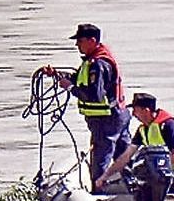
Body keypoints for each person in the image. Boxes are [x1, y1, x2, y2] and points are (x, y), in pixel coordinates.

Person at [41, 23, 131, 191]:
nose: (77, 45)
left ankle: (99, 195)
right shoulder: (93, 61)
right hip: (118, 115)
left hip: (106, 120)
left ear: (92, 40)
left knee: (100, 157)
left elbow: (94, 96)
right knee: (124, 155)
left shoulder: (98, 64)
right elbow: (79, 79)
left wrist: (69, 87)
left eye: (80, 41)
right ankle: (134, 188)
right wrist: (56, 75)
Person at [95, 93, 174, 201]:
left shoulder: (169, 126)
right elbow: (126, 157)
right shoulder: (143, 130)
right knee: (132, 179)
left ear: (146, 111)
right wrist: (105, 176)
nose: (133, 114)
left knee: (149, 183)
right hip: (159, 175)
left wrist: (160, 174)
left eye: (136, 110)